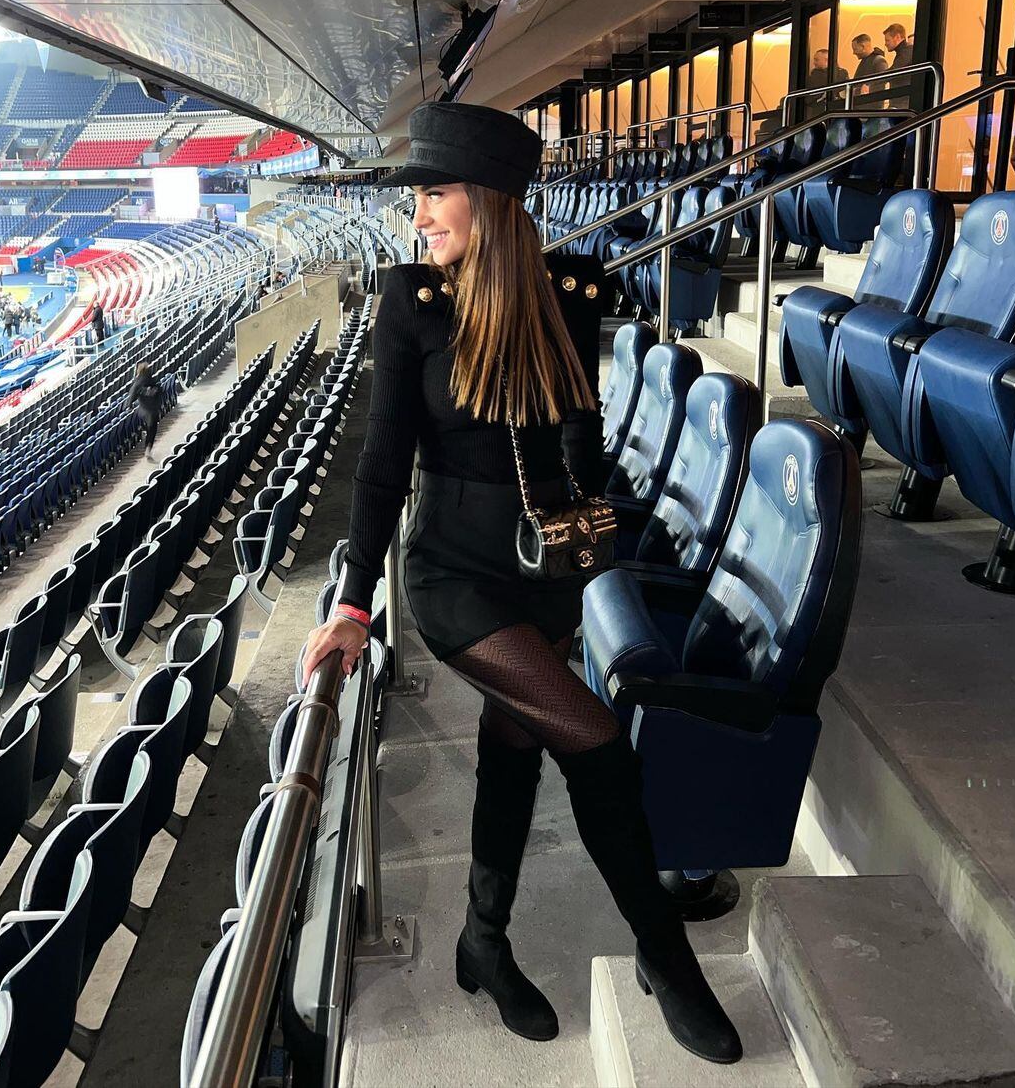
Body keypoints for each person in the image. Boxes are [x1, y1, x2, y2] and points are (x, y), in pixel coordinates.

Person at [299, 101, 743, 1065]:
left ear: (491, 202)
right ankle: (667, 959)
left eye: (436, 193)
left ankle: (482, 943)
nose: (421, 216)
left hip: (543, 571)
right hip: (453, 575)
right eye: (420, 198)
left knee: (515, 747)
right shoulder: (408, 305)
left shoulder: (570, 294)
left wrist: (585, 517)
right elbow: (381, 467)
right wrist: (352, 601)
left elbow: (579, 429)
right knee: (597, 742)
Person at [127, 361, 163, 459]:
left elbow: (132, 395)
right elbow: (160, 390)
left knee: (149, 428)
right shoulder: (151, 380)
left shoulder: (138, 381)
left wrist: (129, 405)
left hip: (143, 410)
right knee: (152, 429)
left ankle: (147, 446)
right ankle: (148, 447)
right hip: (152, 409)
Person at [805, 48, 848, 112]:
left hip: (837, 108)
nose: (814, 63)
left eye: (816, 60)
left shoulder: (842, 73)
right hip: (818, 109)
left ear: (826, 60)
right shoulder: (814, 74)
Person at [884, 23, 914, 108]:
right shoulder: (904, 52)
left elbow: (894, 71)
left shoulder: (907, 51)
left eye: (887, 40)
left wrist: (869, 83)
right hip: (900, 102)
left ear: (897, 37)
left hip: (902, 104)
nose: (885, 43)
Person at [850, 33, 888, 99]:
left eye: (855, 49)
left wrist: (856, 91)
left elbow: (881, 83)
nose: (854, 52)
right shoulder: (868, 61)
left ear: (863, 46)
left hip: (870, 105)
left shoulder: (879, 61)